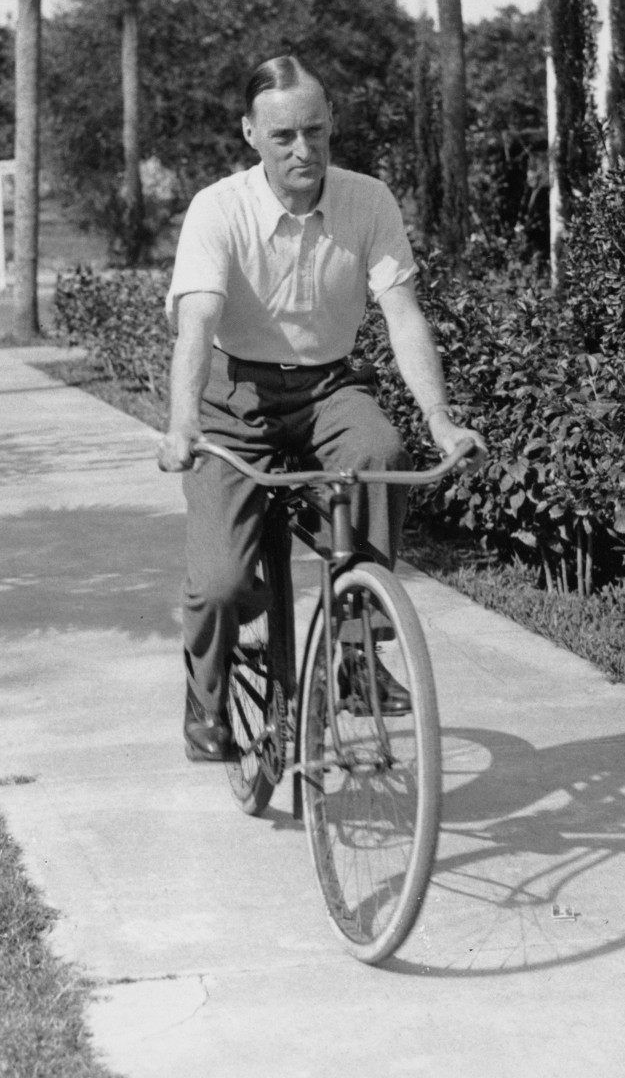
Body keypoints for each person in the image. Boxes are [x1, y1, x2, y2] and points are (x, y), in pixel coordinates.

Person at [156, 55, 486, 761]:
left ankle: (357, 650)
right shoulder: (219, 208)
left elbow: (401, 313)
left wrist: (439, 419)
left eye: (314, 130)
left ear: (332, 124)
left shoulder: (367, 200)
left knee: (380, 452)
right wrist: (182, 423)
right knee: (218, 584)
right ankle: (206, 697)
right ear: (250, 134)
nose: (301, 150)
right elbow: (196, 327)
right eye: (282, 137)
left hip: (330, 387)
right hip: (232, 397)